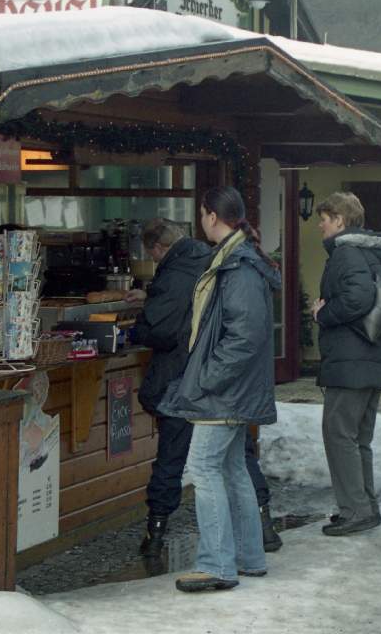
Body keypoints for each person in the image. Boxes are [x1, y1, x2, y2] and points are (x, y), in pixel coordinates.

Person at [132, 220, 283, 558]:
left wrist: (135, 331)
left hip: (183, 378)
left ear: (157, 249)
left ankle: (157, 534)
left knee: (176, 457)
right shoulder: (217, 260)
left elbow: (163, 330)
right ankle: (263, 528)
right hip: (221, 382)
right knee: (239, 457)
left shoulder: (173, 273)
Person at [158, 187, 279, 592]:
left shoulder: (239, 266)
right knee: (232, 467)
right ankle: (249, 557)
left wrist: (208, 377)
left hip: (225, 389)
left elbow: (245, 336)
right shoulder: (237, 258)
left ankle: (217, 564)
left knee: (205, 467)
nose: (201, 221)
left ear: (212, 216)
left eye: (202, 214)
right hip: (233, 387)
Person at [311, 191, 381, 537]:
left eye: (325, 218)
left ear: (340, 221)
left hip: (351, 361)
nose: (320, 225)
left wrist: (323, 313)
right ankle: (365, 506)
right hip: (370, 358)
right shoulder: (370, 251)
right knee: (358, 438)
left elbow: (358, 297)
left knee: (339, 434)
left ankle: (355, 510)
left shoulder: (345, 253)